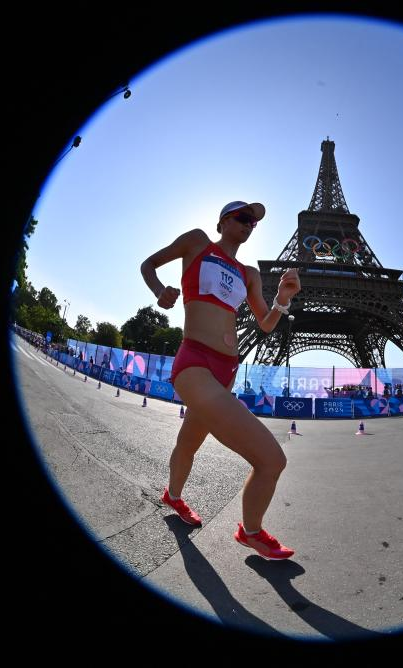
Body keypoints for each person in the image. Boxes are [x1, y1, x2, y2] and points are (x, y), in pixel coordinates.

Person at [141, 200, 301, 560]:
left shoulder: (249, 274)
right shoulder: (198, 243)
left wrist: (282, 300)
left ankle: (173, 497)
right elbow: (148, 264)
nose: (249, 225)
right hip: (195, 360)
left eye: (253, 223)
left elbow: (265, 323)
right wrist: (159, 291)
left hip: (226, 369)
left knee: (188, 444)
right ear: (223, 221)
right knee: (271, 459)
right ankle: (252, 532)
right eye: (243, 218)